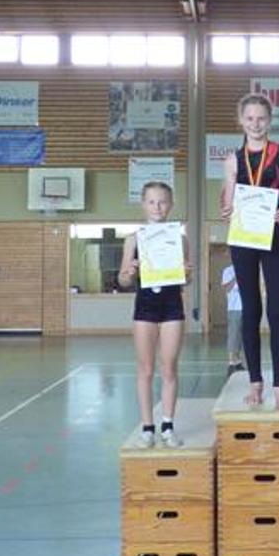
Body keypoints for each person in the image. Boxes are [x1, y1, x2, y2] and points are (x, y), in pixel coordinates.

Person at [220, 94, 279, 410]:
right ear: (241, 121)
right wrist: (226, 208)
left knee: (277, 312)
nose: (255, 124)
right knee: (250, 310)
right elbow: (227, 199)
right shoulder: (232, 160)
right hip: (243, 239)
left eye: (261, 118)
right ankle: (255, 383)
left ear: (270, 120)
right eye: (250, 118)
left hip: (273, 236)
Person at [118, 181, 188, 448]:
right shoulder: (133, 239)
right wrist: (130, 272)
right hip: (145, 307)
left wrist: (188, 272)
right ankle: (147, 427)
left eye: (162, 202)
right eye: (151, 202)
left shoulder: (179, 239)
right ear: (143, 204)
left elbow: (187, 280)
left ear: (171, 205)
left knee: (169, 367)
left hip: (172, 307)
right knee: (145, 369)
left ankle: (168, 425)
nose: (157, 207)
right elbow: (123, 280)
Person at [222, 255, 245, 378]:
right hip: (234, 308)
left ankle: (238, 361)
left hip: (246, 307)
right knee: (233, 335)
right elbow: (227, 288)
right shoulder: (228, 271)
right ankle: (231, 362)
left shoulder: (247, 269)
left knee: (242, 336)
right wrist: (236, 277)